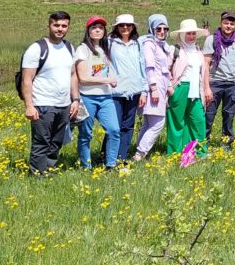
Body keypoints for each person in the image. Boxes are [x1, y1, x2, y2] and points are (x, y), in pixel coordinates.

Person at [21, 11, 78, 175]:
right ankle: (36, 175)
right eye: (56, 25)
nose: (60, 29)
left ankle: (49, 169)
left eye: (64, 26)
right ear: (49, 25)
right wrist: (29, 106)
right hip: (43, 104)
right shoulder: (37, 48)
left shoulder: (69, 47)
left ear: (68, 27)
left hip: (64, 104)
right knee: (42, 142)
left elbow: (73, 75)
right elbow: (27, 79)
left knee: (56, 142)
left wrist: (75, 99)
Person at [73, 16, 121, 169]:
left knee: (114, 130)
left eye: (101, 27)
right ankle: (86, 165)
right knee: (86, 133)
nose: (98, 30)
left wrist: (111, 79)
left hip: (106, 97)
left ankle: (111, 164)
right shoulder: (82, 49)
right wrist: (108, 80)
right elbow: (83, 78)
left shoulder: (104, 49)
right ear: (88, 31)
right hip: (87, 97)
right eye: (94, 27)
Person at [203, 11, 235, 146]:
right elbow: (205, 63)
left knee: (229, 116)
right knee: (208, 116)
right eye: (226, 23)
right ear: (220, 23)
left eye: (232, 23)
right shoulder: (211, 39)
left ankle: (226, 144)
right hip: (214, 83)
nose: (229, 26)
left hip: (232, 83)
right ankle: (203, 144)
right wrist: (206, 87)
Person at [167, 19, 211, 156]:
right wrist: (170, 87)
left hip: (196, 88)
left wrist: (206, 88)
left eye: (193, 34)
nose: (191, 37)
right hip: (180, 87)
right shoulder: (175, 50)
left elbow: (202, 72)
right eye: (188, 34)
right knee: (177, 122)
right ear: (182, 35)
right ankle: (175, 152)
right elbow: (166, 70)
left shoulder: (198, 51)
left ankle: (200, 152)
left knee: (198, 119)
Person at [107, 14, 147, 163]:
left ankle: (121, 157)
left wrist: (144, 91)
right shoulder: (110, 43)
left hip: (134, 91)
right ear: (117, 27)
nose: (125, 28)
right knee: (113, 127)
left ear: (133, 27)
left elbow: (142, 68)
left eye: (128, 25)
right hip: (116, 91)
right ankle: (108, 155)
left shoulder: (137, 44)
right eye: (122, 25)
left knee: (128, 126)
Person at [134, 14, 173, 161]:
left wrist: (168, 85)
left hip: (160, 87)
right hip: (154, 88)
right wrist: (154, 88)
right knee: (158, 123)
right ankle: (140, 153)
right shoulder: (149, 44)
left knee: (149, 122)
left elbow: (164, 68)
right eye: (158, 29)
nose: (162, 32)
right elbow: (149, 67)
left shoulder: (161, 45)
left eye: (165, 28)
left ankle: (140, 151)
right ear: (152, 29)